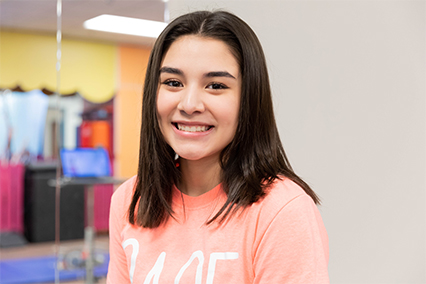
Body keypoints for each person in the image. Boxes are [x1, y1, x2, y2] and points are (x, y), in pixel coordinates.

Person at [107, 10, 329, 284]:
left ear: (248, 99)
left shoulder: (282, 210)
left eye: (215, 85)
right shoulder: (130, 200)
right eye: (173, 83)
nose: (189, 105)